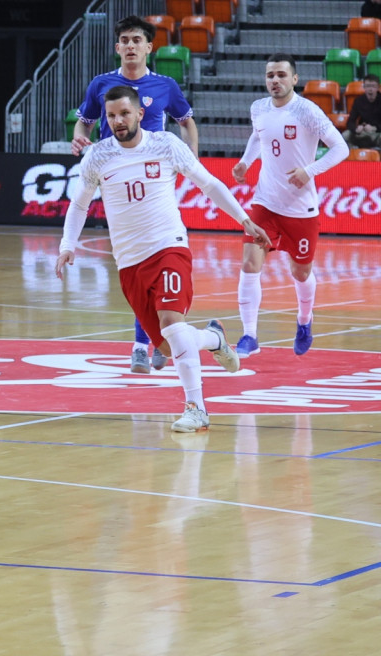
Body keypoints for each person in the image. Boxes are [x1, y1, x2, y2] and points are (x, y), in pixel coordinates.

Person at [56, 85, 271, 432]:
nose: (117, 121)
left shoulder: (166, 145)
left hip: (168, 247)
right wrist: (68, 243)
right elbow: (80, 203)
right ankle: (214, 338)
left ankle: (196, 408)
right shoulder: (97, 156)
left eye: (124, 113)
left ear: (140, 113)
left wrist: (244, 220)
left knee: (172, 323)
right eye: (111, 116)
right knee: (171, 347)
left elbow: (210, 184)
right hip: (128, 263)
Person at [72, 15, 200, 376]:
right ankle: (154, 340)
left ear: (149, 47)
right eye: (124, 40)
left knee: (153, 256)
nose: (130, 46)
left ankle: (142, 345)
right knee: (134, 261)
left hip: (154, 175)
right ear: (117, 48)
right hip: (115, 175)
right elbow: (84, 119)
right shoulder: (102, 84)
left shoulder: (165, 85)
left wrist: (189, 159)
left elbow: (187, 121)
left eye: (136, 40)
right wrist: (80, 137)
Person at [232, 53, 349, 358]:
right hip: (265, 202)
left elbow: (341, 148)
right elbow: (258, 137)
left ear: (294, 79)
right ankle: (249, 335)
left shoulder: (307, 111)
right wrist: (246, 162)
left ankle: (304, 321)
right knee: (249, 264)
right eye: (270, 75)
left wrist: (308, 171)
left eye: (282, 75)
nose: (275, 80)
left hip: (300, 209)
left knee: (300, 273)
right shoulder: (258, 108)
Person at [343, 73, 381, 149]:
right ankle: (352, 157)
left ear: (378, 88)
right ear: (364, 87)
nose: (370, 89)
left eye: (373, 86)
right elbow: (350, 121)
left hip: (377, 133)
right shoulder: (359, 101)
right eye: (368, 86)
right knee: (345, 135)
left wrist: (375, 128)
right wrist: (356, 129)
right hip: (362, 132)